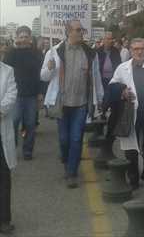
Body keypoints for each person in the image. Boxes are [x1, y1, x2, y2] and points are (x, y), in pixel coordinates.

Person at [41, 20, 104, 188]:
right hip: (62, 104)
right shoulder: (55, 52)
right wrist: (49, 68)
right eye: (78, 30)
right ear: (68, 32)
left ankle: (71, 172)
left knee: (76, 139)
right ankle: (66, 158)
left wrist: (99, 99)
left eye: (82, 29)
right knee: (64, 139)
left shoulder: (90, 53)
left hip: (81, 104)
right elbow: (43, 77)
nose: (81, 32)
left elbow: (96, 77)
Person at [108, 38, 144, 188]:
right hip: (131, 112)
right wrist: (122, 91)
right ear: (131, 51)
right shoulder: (122, 68)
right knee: (131, 147)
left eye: (142, 49)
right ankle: (133, 178)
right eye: (136, 49)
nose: (139, 52)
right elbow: (112, 85)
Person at [3, 26, 43, 160]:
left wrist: (40, 93)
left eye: (26, 37)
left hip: (31, 95)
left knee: (30, 124)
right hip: (15, 95)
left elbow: (40, 74)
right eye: (21, 37)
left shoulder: (36, 53)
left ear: (30, 38)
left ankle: (28, 150)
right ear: (17, 38)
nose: (24, 39)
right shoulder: (11, 53)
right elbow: (4, 71)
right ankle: (12, 147)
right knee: (14, 122)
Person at [0, 61, 17, 234]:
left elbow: (11, 94)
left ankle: (4, 219)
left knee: (3, 176)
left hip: (1, 130)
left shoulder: (7, 71)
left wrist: (0, 110)